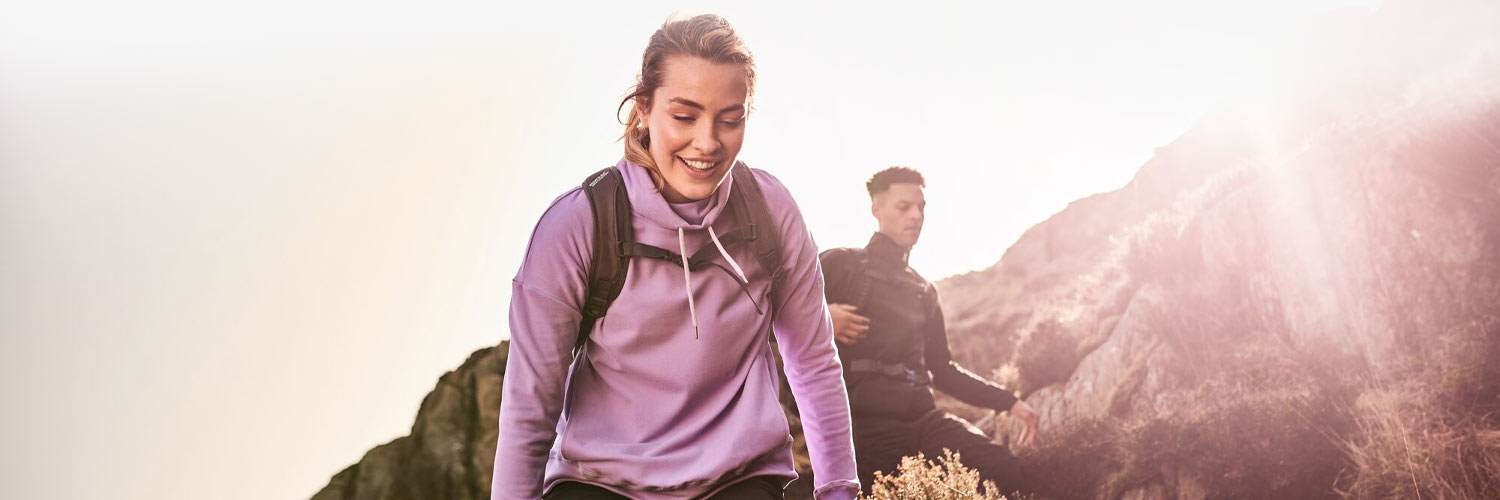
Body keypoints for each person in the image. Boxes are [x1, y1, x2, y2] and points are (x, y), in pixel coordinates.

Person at [491, 15, 859, 500]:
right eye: (685, 116)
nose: (708, 142)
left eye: (730, 119)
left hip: (740, 481)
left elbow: (812, 361)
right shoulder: (575, 227)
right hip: (600, 484)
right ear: (643, 108)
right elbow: (530, 407)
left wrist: (838, 490)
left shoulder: (771, 212)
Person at [821, 167, 1043, 497]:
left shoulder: (922, 290)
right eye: (904, 207)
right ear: (876, 210)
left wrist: (1011, 403)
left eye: (921, 207)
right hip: (863, 429)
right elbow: (770, 315)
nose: (916, 216)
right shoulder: (841, 265)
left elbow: (943, 371)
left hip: (924, 422)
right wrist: (822, 320)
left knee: (1006, 472)